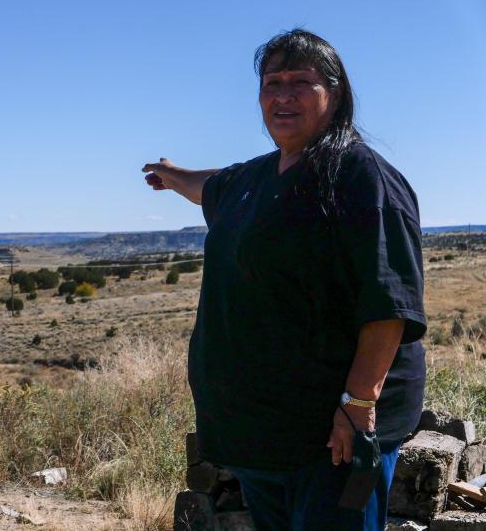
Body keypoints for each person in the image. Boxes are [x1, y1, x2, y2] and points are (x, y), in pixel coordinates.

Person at [142, 29, 426, 530]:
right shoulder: (253, 179)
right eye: (272, 83)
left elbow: (389, 306)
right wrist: (172, 175)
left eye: (301, 82)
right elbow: (210, 186)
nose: (283, 95)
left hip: (331, 437)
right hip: (263, 433)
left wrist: (358, 407)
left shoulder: (361, 178)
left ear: (334, 94)